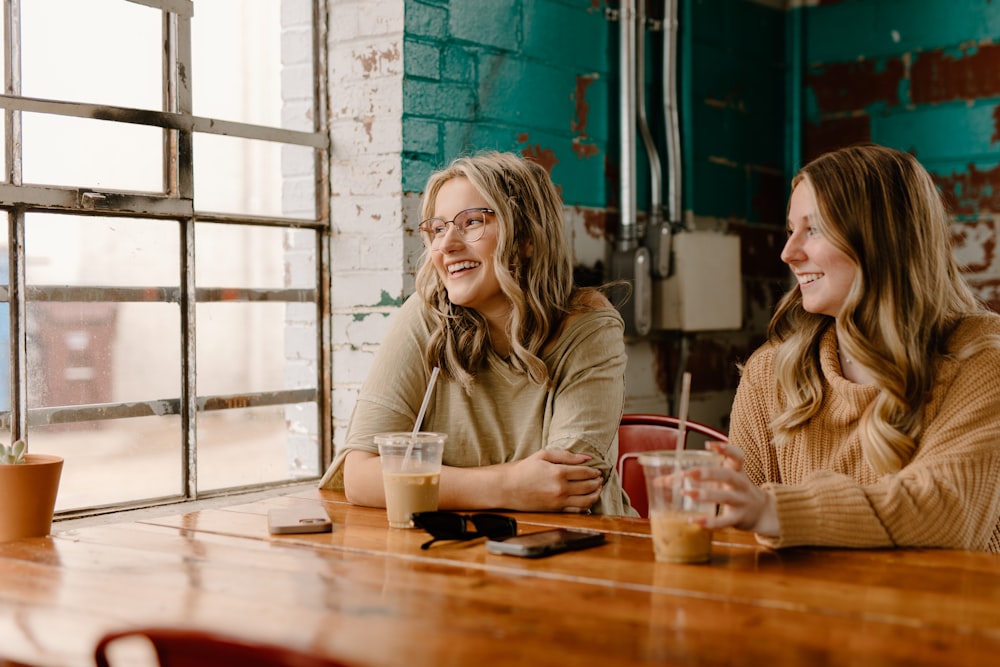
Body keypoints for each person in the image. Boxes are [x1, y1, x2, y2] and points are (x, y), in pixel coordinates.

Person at [694, 143, 1000, 552]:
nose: (788, 253)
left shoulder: (981, 359)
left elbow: (946, 512)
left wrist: (775, 510)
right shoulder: (769, 371)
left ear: (883, 240)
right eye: (790, 230)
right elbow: (740, 539)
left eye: (814, 229)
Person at [319, 151, 635, 516]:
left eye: (471, 222)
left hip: (582, 554)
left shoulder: (587, 327)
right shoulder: (425, 316)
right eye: (438, 228)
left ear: (525, 238)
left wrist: (428, 482)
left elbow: (564, 488)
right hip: (458, 555)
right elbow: (359, 476)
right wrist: (509, 486)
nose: (446, 245)